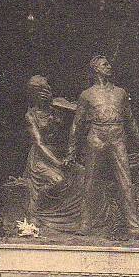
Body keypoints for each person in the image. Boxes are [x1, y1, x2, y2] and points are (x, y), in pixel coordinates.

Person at [66, 55, 139, 239]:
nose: (109, 66)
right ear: (96, 69)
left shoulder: (120, 92)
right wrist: (71, 151)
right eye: (105, 64)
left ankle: (133, 227)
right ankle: (85, 224)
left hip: (117, 135)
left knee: (125, 181)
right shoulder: (87, 94)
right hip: (96, 136)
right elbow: (77, 124)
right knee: (89, 182)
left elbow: (130, 120)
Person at [22, 75, 83, 230]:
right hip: (41, 157)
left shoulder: (58, 107)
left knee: (82, 174)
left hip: (60, 153)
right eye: (41, 91)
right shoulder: (31, 116)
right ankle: (35, 210)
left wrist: (53, 104)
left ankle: (75, 218)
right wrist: (57, 163)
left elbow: (79, 115)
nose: (45, 92)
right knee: (58, 180)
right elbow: (40, 143)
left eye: (47, 88)